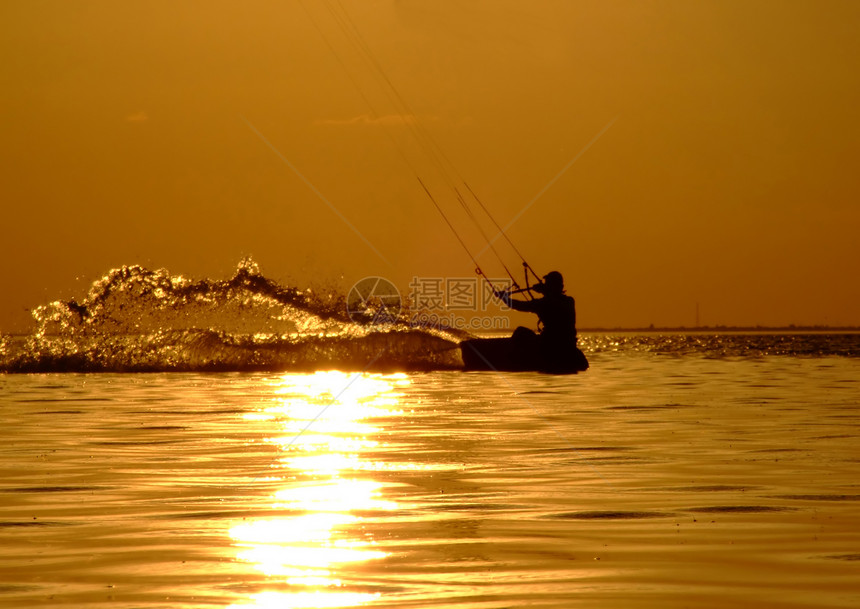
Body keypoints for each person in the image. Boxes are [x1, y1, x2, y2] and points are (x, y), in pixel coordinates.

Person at [499, 271, 588, 373]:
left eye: (548, 284)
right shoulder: (565, 301)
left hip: (551, 346)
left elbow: (553, 304)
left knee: (520, 333)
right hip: (561, 345)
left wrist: (504, 298)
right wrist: (505, 299)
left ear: (559, 286)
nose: (545, 285)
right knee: (521, 332)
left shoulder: (565, 301)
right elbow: (519, 305)